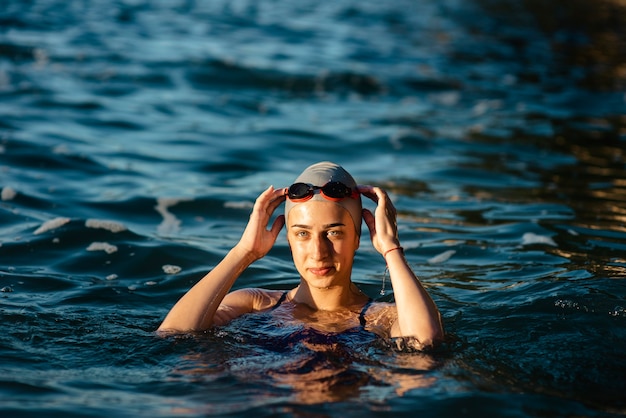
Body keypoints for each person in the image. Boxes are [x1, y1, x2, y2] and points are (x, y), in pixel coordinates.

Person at [158, 162, 444, 348]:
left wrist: (391, 250)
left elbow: (424, 343)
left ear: (358, 237)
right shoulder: (255, 303)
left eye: (334, 233)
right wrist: (243, 253)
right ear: (289, 239)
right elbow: (174, 335)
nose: (318, 253)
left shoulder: (383, 318)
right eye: (303, 234)